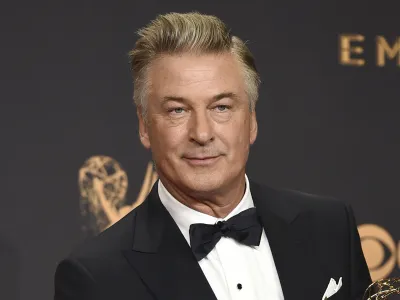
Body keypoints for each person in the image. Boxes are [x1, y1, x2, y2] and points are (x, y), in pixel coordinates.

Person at [54, 12, 372, 300]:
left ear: (251, 120)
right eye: (177, 110)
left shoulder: (330, 227)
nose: (202, 133)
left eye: (221, 107)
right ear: (144, 126)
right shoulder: (96, 277)